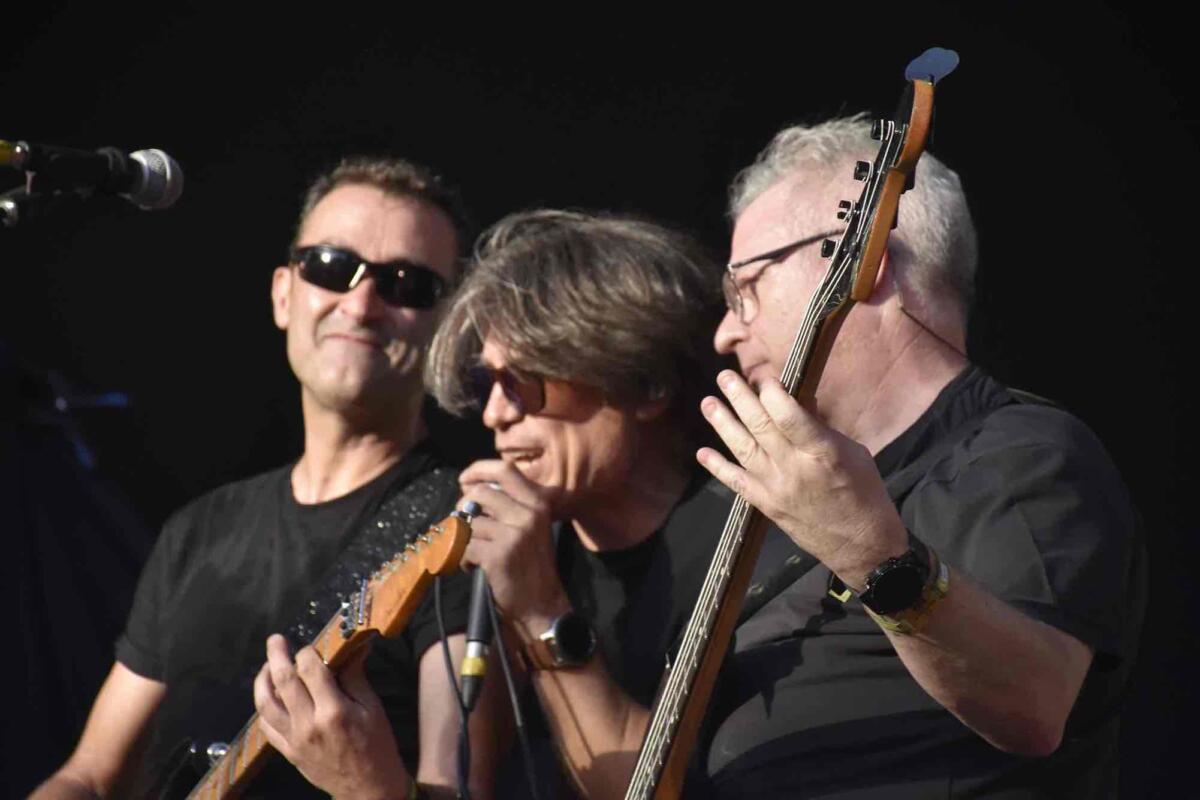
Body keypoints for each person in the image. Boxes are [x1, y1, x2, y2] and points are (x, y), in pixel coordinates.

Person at [695, 115, 1145, 797]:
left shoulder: (1023, 457)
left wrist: (872, 556)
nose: (726, 331)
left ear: (860, 264)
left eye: (744, 288)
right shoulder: (772, 504)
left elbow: (1034, 704)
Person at [32, 156, 500, 799]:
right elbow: (89, 773)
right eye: (331, 267)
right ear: (284, 294)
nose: (361, 304)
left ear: (448, 327)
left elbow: (458, 790)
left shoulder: (465, 526)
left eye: (407, 284)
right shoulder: (199, 528)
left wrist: (370, 785)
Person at [424, 209, 727, 798]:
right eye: (487, 384)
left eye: (524, 381)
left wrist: (542, 615)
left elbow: (663, 790)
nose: (495, 414)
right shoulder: (525, 550)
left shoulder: (746, 543)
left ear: (643, 382)